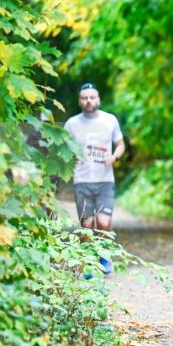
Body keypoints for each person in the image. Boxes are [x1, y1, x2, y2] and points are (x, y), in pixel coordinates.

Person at [64, 82, 125, 275]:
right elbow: (62, 147)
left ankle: (104, 257)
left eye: (92, 97)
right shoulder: (72, 124)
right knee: (87, 225)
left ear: (98, 99)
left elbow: (121, 144)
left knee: (104, 223)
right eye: (84, 98)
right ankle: (89, 262)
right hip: (81, 180)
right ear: (80, 101)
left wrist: (114, 157)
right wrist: (72, 156)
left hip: (105, 180)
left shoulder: (110, 120)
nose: (88, 101)